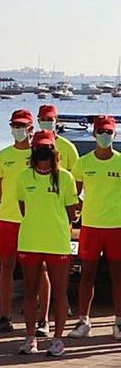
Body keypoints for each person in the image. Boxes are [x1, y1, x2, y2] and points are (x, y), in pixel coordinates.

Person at [13, 130, 78, 357]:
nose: (43, 152)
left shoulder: (65, 177)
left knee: (60, 293)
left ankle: (58, 339)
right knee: (30, 292)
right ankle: (30, 337)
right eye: (39, 147)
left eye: (47, 148)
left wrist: (56, 225)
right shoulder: (24, 176)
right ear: (33, 150)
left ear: (54, 150)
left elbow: (71, 211)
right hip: (30, 241)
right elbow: (24, 208)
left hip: (57, 242)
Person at [71, 115, 121, 340]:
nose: (105, 136)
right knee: (86, 275)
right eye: (101, 132)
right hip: (91, 227)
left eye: (109, 132)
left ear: (114, 134)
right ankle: (84, 321)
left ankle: (118, 322)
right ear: (94, 134)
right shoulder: (83, 162)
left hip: (117, 227)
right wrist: (78, 209)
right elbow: (74, 194)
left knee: (117, 276)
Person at [0, 109, 34, 335]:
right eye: (14, 126)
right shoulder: (4, 155)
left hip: (33, 222)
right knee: (6, 268)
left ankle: (38, 318)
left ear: (31, 129)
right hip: (7, 220)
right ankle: (5, 316)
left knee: (37, 270)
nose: (18, 130)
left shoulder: (39, 153)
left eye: (22, 126)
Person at [36, 104, 80, 169]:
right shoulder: (32, 146)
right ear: (38, 121)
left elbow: (75, 174)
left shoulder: (68, 146)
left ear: (56, 120)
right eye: (43, 119)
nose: (46, 122)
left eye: (50, 119)